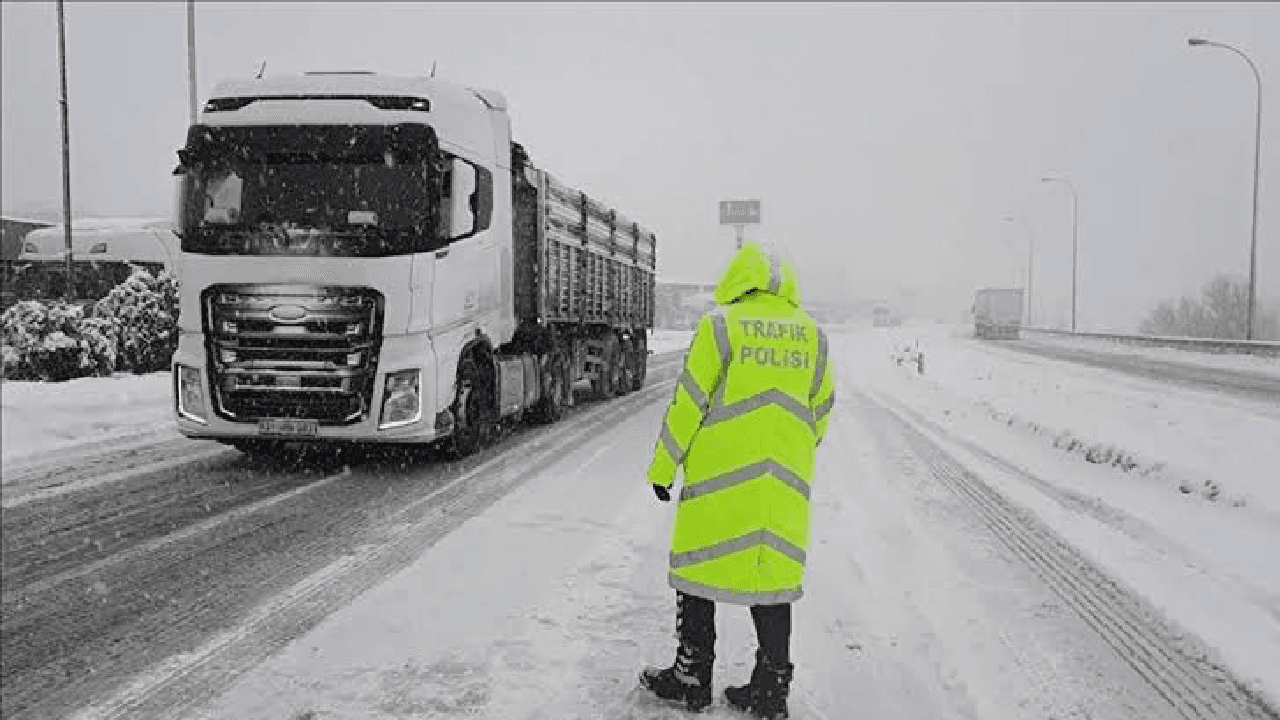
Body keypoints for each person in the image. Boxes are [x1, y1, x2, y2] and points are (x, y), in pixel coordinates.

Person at [639, 240, 835, 719]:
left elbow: (688, 401)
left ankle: (691, 676)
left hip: (718, 483)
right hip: (780, 489)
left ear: (737, 279)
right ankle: (771, 688)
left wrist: (664, 467)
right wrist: (788, 453)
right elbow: (822, 409)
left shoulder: (720, 326)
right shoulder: (812, 334)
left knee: (699, 571)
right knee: (770, 584)